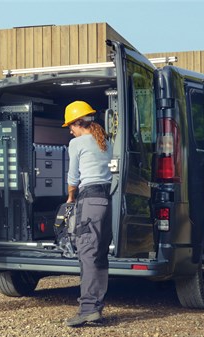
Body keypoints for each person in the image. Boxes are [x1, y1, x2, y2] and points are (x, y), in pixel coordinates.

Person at [62, 100, 113, 327]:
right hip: (107, 200)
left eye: (70, 126)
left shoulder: (77, 143)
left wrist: (71, 197)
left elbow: (73, 178)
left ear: (78, 122)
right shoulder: (106, 140)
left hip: (90, 201)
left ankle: (88, 309)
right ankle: (95, 307)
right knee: (99, 255)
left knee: (87, 254)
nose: (70, 131)